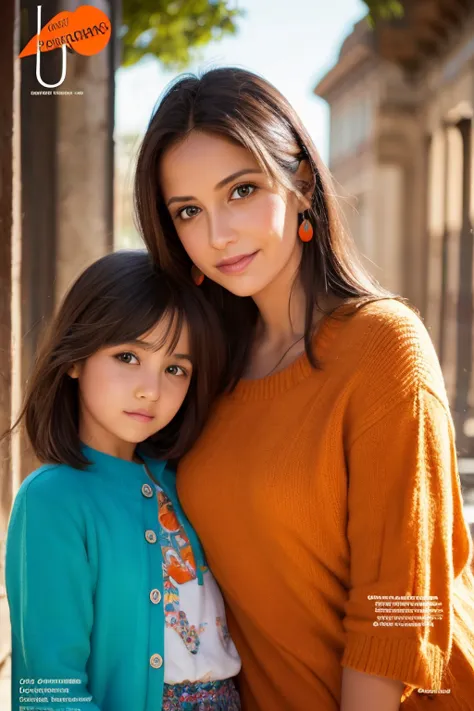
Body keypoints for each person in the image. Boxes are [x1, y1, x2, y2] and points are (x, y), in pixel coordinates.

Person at [132, 67, 474, 711]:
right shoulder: (201, 370)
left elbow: (399, 608)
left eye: (241, 190)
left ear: (303, 183)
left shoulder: (382, 347)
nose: (218, 234)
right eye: (188, 211)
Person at [4, 250, 241, 711]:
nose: (150, 389)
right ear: (74, 358)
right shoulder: (52, 501)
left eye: (175, 368)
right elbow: (50, 689)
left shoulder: (186, 479)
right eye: (128, 356)